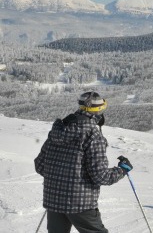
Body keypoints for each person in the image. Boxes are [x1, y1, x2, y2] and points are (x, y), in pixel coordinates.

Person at [34, 91, 133, 233]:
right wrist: (122, 170)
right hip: (80, 203)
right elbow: (101, 176)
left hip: (53, 200)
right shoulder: (92, 134)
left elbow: (40, 165)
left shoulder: (59, 130)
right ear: (98, 112)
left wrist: (60, 176)